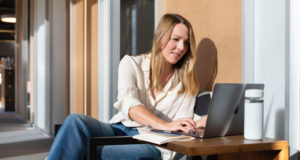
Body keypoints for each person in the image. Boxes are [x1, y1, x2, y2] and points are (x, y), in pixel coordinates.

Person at [47, 13, 207, 160]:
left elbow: (182, 123)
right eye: (176, 39)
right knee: (76, 121)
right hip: (121, 128)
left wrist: (202, 121)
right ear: (161, 38)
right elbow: (129, 104)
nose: (181, 48)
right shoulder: (131, 64)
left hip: (153, 142)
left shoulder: (188, 82)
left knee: (91, 151)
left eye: (186, 43)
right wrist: (164, 124)